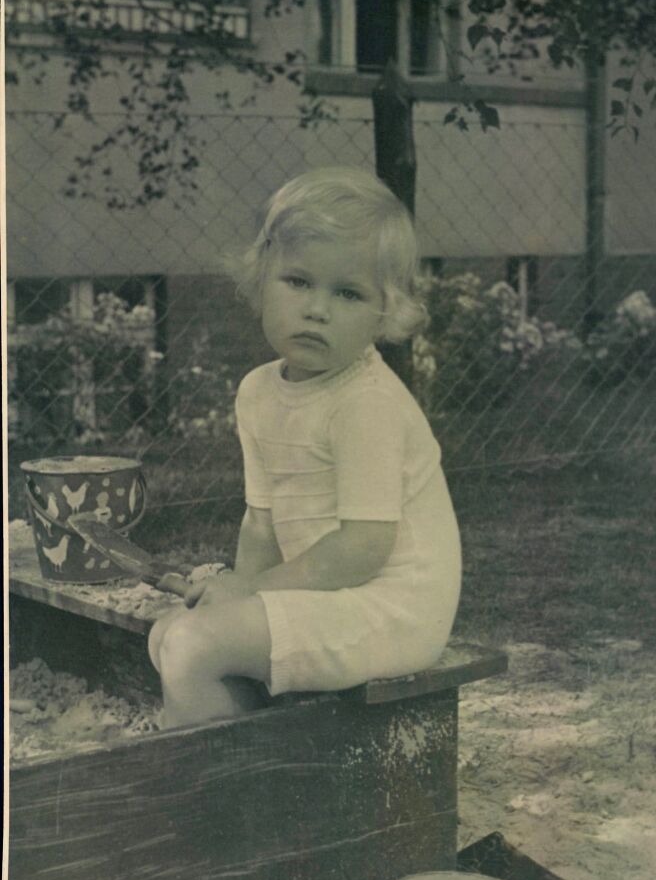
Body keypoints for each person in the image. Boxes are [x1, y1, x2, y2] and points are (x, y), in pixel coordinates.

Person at [148, 166, 462, 728]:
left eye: (348, 293)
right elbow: (262, 524)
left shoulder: (365, 403)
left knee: (194, 646)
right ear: (261, 280)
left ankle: (217, 796)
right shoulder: (258, 392)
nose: (318, 308)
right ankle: (259, 763)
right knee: (167, 634)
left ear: (383, 311)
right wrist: (239, 599)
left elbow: (364, 546)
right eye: (298, 282)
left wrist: (249, 592)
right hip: (330, 593)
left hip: (392, 605)